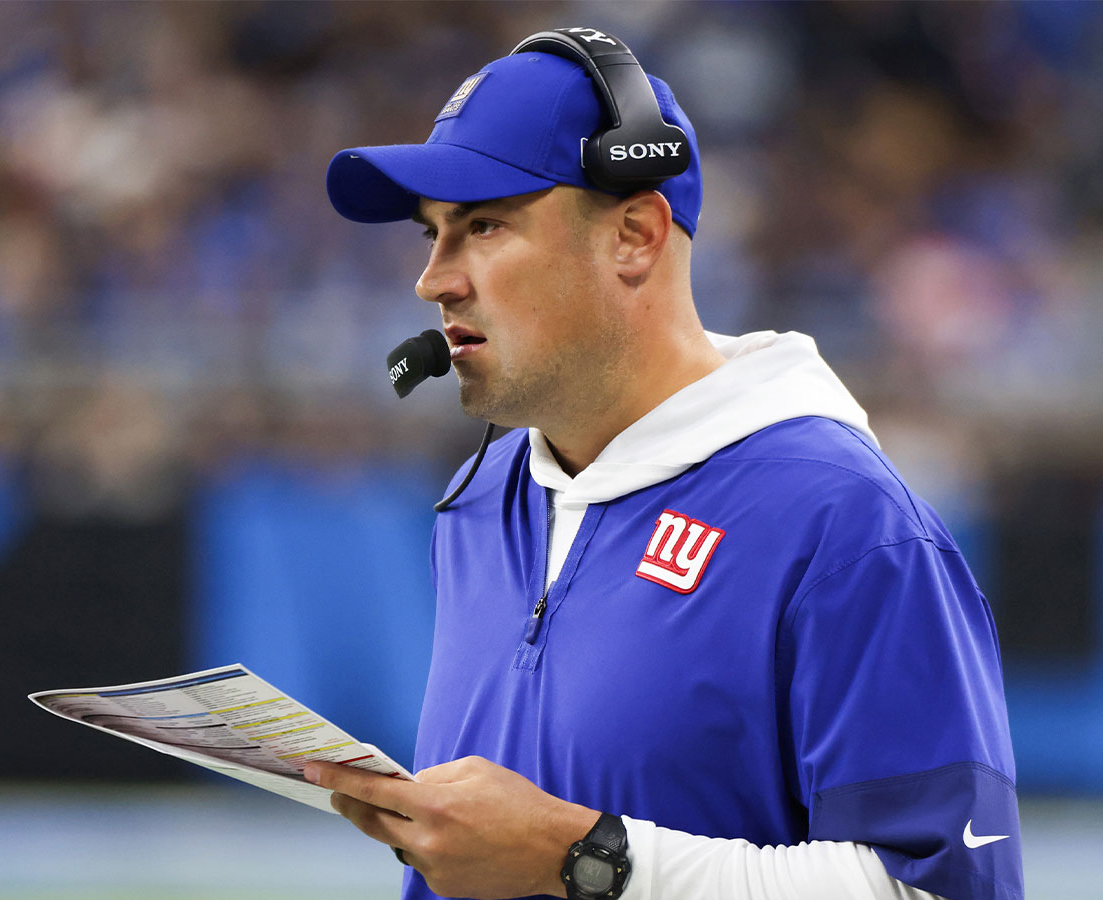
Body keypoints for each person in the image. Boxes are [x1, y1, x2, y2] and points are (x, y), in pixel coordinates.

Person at [305, 27, 1022, 900]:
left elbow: (943, 887)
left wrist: (583, 856)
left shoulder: (842, 521)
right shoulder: (485, 496)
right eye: (433, 234)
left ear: (636, 235)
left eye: (484, 226)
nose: (434, 280)